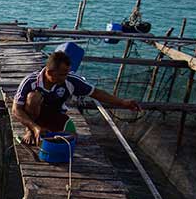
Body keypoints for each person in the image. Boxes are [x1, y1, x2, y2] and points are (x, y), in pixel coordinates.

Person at [12, 51, 140, 145]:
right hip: (34, 116)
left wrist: (123, 102)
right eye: (62, 74)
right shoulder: (30, 81)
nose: (65, 77)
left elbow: (96, 93)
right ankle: (30, 130)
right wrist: (34, 127)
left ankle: (46, 130)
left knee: (71, 139)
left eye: (67, 73)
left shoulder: (71, 81)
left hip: (56, 114)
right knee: (33, 97)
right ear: (49, 72)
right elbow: (16, 110)